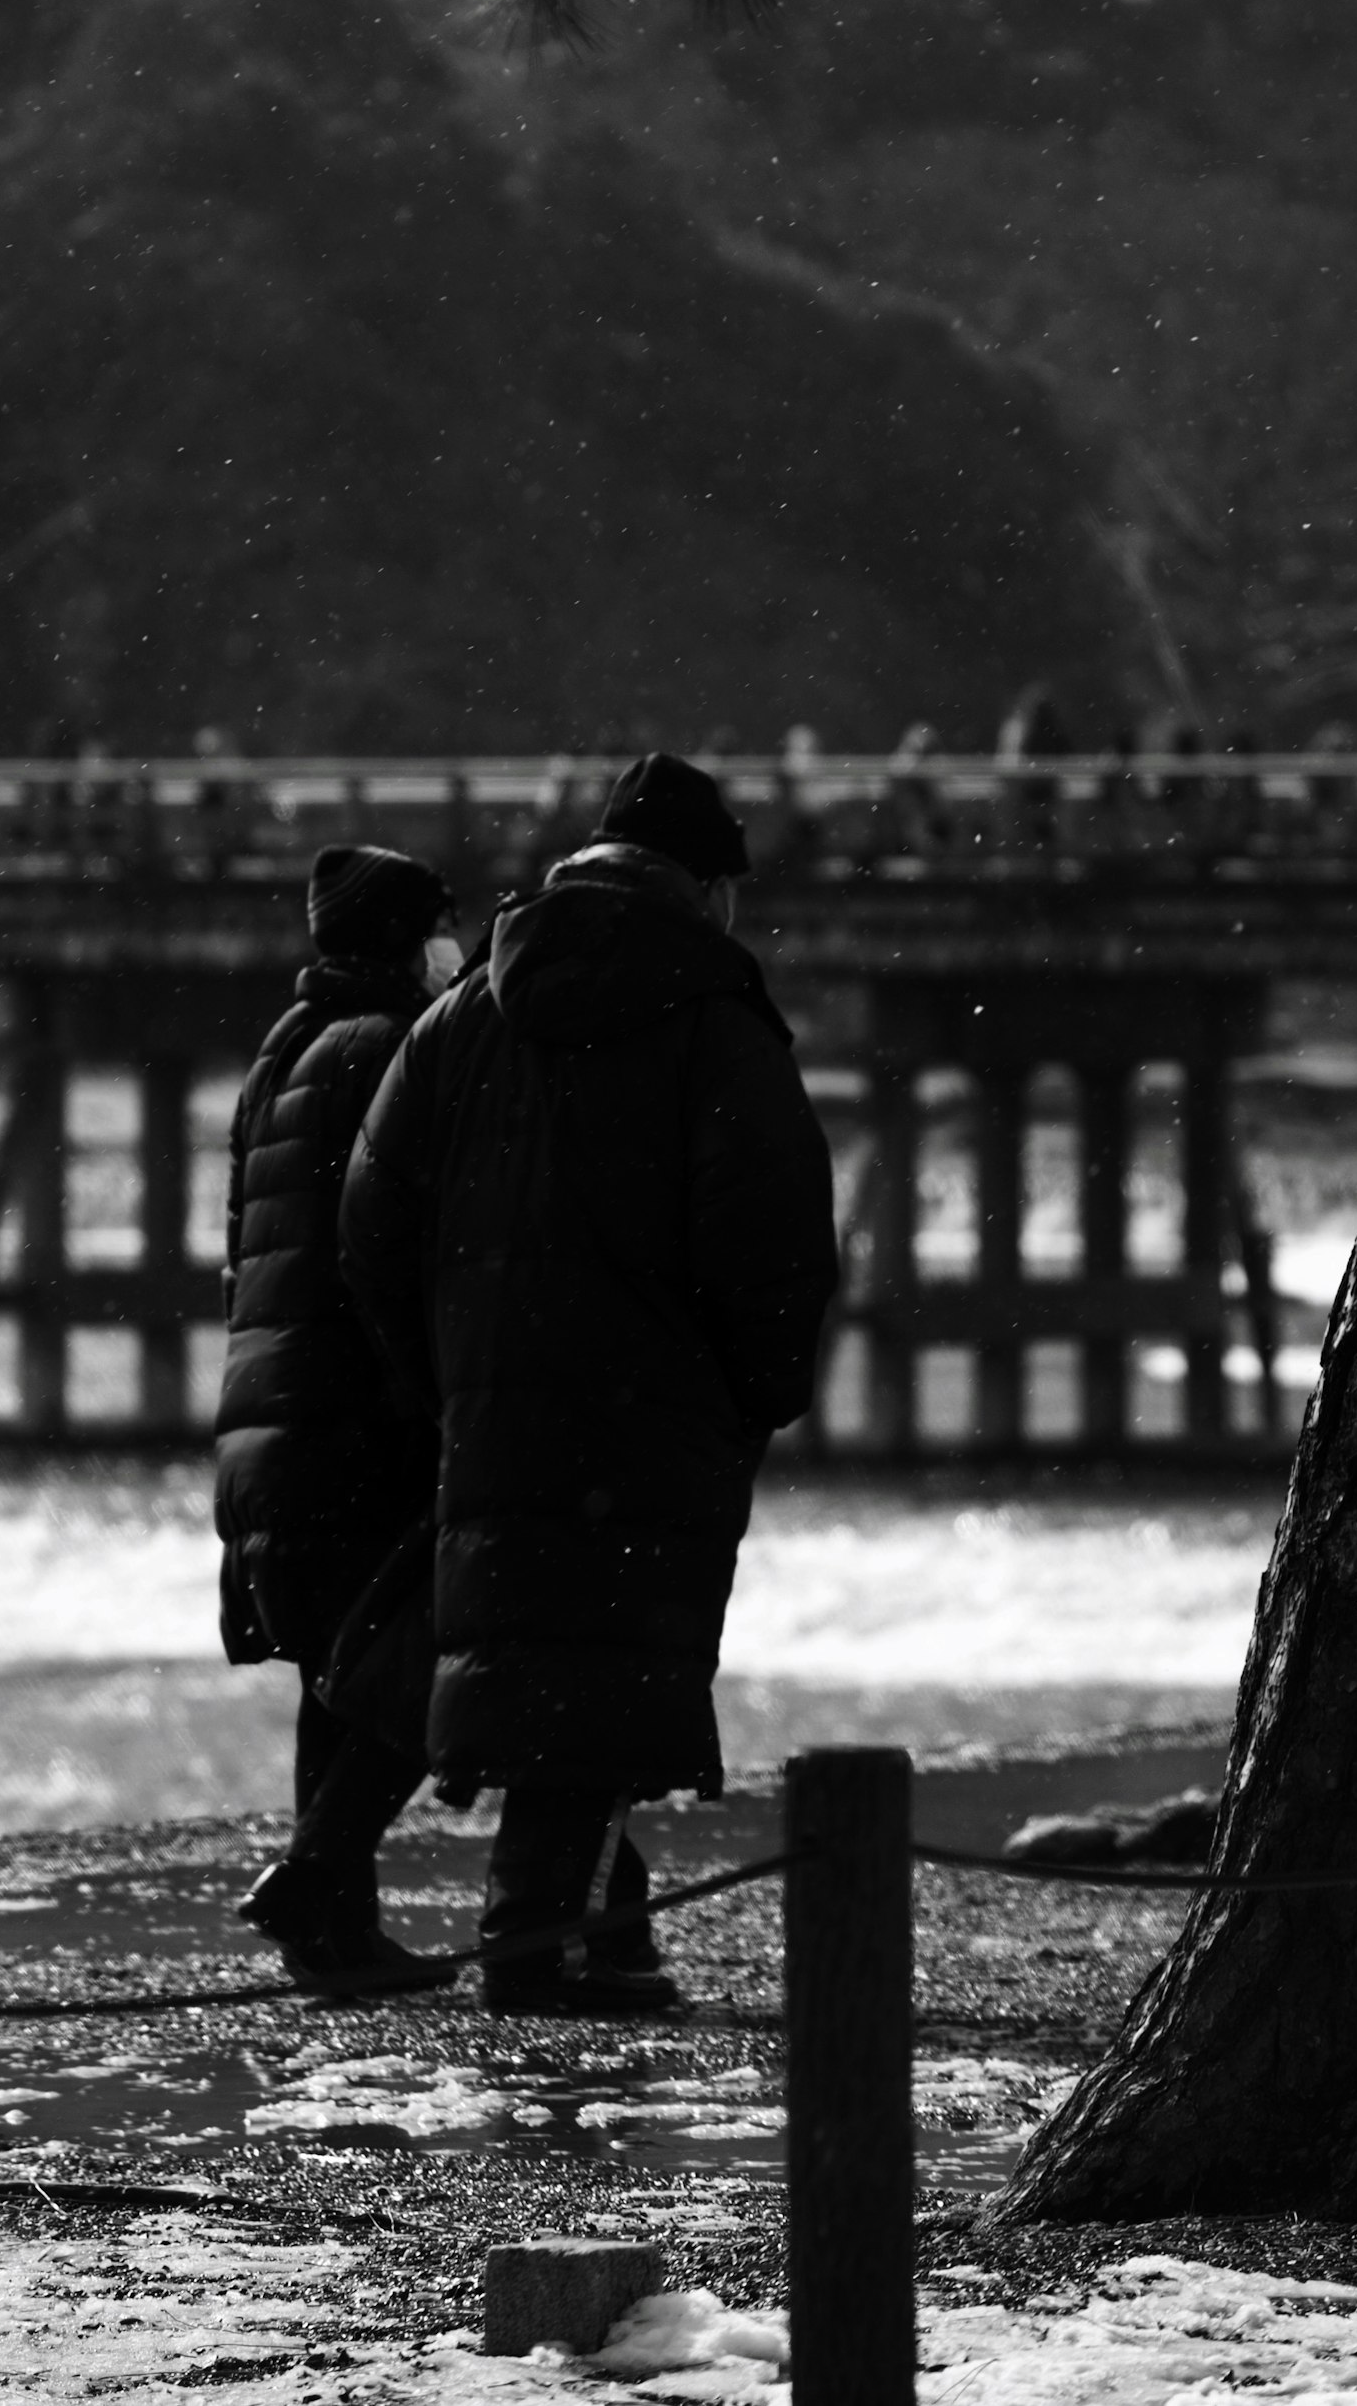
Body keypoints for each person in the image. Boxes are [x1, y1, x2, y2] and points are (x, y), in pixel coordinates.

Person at [342, 755, 839, 2015]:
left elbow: (373, 1213)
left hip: (494, 1405)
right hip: (656, 1417)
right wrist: (749, 1395)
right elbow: (774, 1237)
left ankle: (576, 1940)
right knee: (605, 1668)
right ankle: (533, 1953)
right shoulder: (715, 1021)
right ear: (707, 887)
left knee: (533, 1657)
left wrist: (442, 1371)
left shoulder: (462, 1018)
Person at [214, 843, 464, 1994]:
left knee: (334, 1664)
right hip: (351, 1406)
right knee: (421, 1641)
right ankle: (318, 1878)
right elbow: (389, 1239)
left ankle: (336, 1930)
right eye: (438, 930)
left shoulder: (282, 1050)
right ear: (407, 944)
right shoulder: (383, 1050)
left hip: (272, 1403)